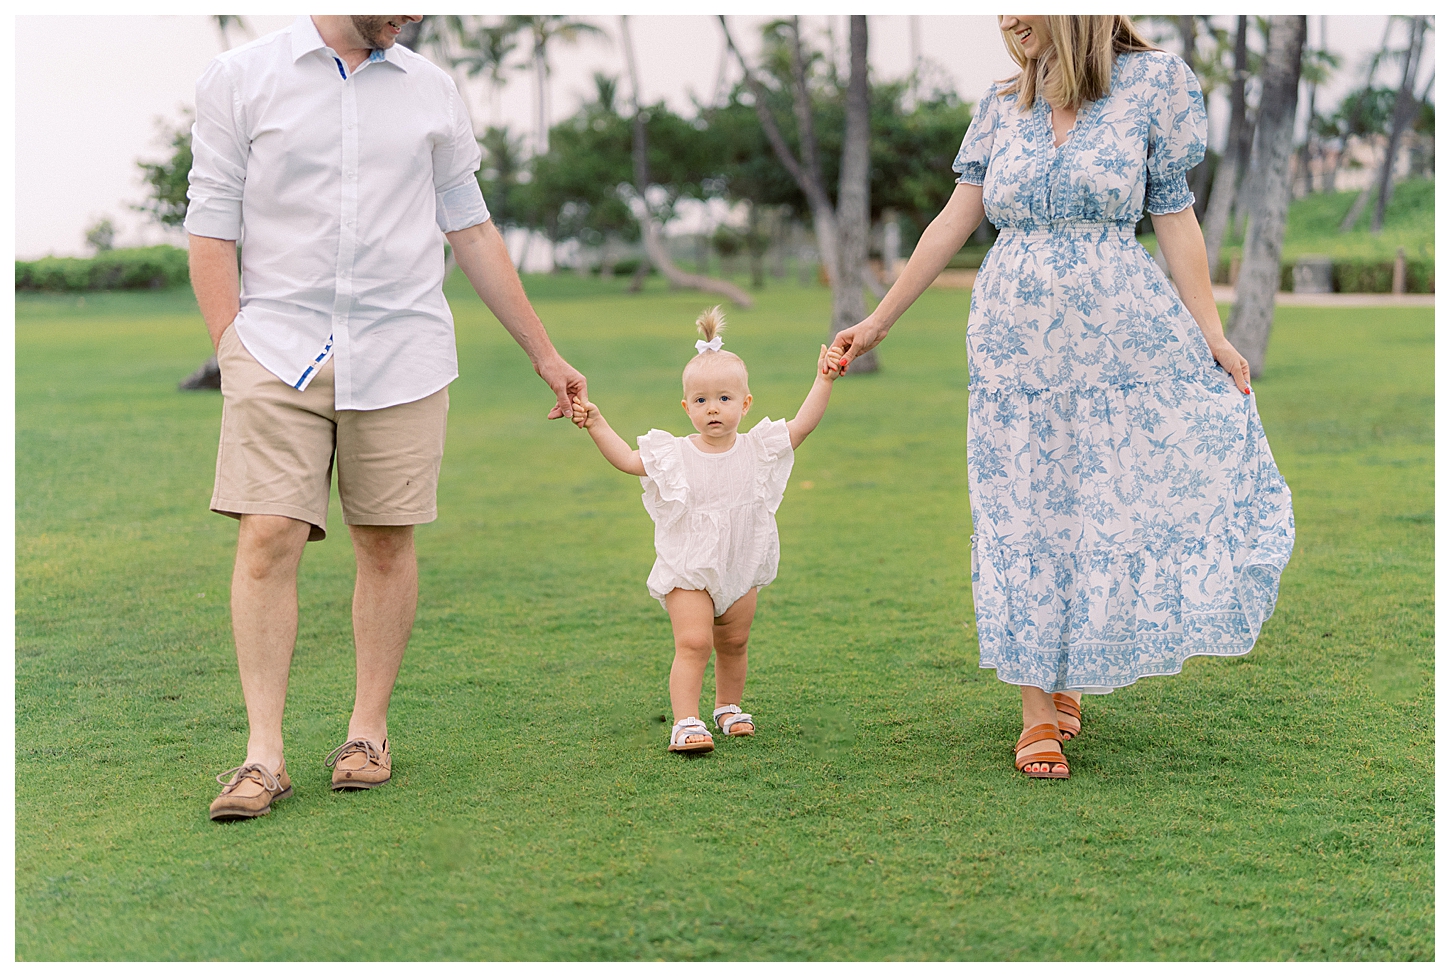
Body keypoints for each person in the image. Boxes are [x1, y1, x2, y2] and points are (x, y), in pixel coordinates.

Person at [831, 15, 1294, 779]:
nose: (1007, 16)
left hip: (1119, 339)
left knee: (1091, 503)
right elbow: (956, 216)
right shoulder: (1002, 102)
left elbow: (1174, 215)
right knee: (1020, 507)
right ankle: (1034, 707)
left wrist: (1211, 330)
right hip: (1014, 350)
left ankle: (1067, 672)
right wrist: (880, 320)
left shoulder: (1152, 86)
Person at [187, 15, 587, 820]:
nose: (410, 14)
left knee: (385, 537)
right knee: (267, 533)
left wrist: (545, 353)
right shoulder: (240, 77)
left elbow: (469, 227)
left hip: (402, 348)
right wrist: (231, 346)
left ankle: (367, 732)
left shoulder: (433, 91)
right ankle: (263, 753)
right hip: (275, 345)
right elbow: (212, 220)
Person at [569, 309, 842, 752]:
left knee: (734, 641)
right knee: (694, 642)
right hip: (690, 567)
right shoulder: (673, 454)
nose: (712, 408)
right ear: (686, 407)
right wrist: (597, 422)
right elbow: (626, 460)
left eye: (724, 399)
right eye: (700, 401)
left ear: (745, 403)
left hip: (740, 561)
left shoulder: (759, 447)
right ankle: (686, 720)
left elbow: (803, 424)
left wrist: (824, 380)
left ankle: (728, 707)